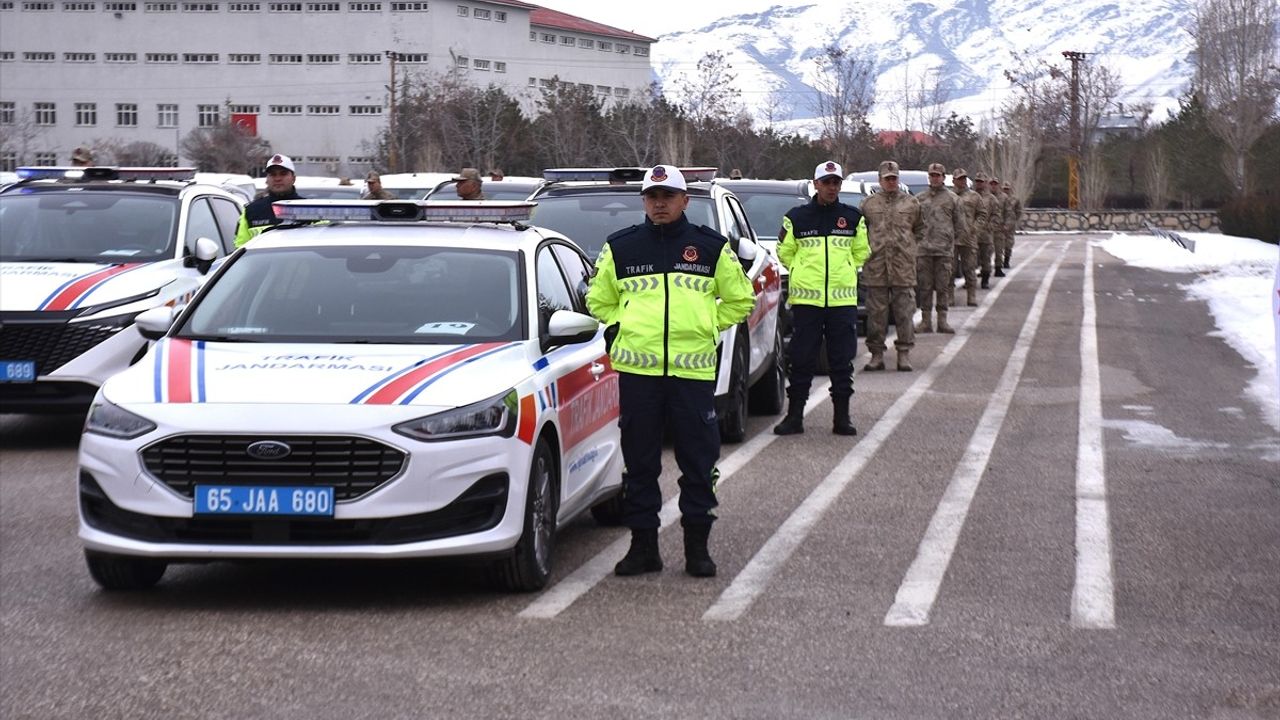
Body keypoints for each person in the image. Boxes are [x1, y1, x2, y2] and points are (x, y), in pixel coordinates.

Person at [586, 165, 755, 578]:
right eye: (652, 197)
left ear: (684, 200)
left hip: (692, 377)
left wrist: (706, 325)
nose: (659, 204)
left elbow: (740, 299)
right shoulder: (621, 248)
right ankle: (644, 548)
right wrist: (619, 327)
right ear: (644, 201)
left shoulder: (710, 247)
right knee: (639, 464)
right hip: (639, 377)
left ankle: (697, 549)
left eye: (667, 196)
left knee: (698, 463)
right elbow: (597, 299)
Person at [773, 160, 869, 437]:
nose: (831, 187)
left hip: (841, 303)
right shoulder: (797, 217)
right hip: (807, 303)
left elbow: (861, 252)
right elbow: (785, 252)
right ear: (815, 184)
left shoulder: (853, 217)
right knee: (802, 360)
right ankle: (794, 418)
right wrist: (802, 271)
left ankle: (842, 418)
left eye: (836, 182)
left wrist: (845, 270)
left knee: (841, 361)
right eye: (826, 182)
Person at [859, 160, 922, 372]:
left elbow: (920, 230)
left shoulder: (911, 204)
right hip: (876, 267)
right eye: (887, 179)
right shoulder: (868, 205)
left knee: (904, 312)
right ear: (880, 180)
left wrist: (910, 250)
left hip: (902, 267)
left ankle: (903, 354)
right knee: (876, 314)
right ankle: (876, 354)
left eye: (894, 178)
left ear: (898, 179)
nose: (891, 182)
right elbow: (861, 233)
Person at [915, 163, 966, 334]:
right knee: (924, 287)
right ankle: (925, 321)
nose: (935, 178)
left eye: (938, 175)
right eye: (932, 175)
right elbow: (913, 224)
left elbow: (960, 225)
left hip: (944, 251)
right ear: (928, 177)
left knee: (943, 287)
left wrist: (950, 241)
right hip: (923, 251)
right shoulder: (919, 199)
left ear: (944, 177)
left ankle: (942, 321)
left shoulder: (953, 199)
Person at [234, 154, 304, 248]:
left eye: (283, 173)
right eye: (273, 174)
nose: (277, 178)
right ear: (267, 180)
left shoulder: (311, 209)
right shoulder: (251, 211)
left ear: (293, 179)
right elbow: (240, 248)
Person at [950, 168, 987, 308]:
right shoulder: (949, 196)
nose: (962, 181)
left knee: (969, 269)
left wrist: (975, 228)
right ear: (954, 181)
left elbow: (982, 214)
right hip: (951, 238)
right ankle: (949, 297)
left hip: (968, 238)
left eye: (964, 178)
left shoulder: (974, 197)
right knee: (950, 270)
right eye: (959, 179)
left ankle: (971, 296)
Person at [974, 172, 997, 289]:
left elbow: (996, 215)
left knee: (985, 259)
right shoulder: (970, 196)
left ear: (985, 183)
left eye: (981, 182)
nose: (979, 184)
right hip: (971, 234)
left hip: (985, 235)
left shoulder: (991, 199)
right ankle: (970, 281)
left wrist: (990, 226)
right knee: (970, 261)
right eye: (977, 181)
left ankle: (985, 280)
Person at [987, 175, 1009, 278]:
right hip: (987, 228)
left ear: (998, 185)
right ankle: (985, 269)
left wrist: (1006, 224)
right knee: (986, 250)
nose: (993, 186)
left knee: (999, 249)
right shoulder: (984, 196)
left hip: (999, 227)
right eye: (991, 184)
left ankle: (998, 268)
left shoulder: (1004, 197)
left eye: (995, 184)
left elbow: (1008, 212)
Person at [1001, 182, 1023, 269]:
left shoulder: (1015, 199)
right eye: (1004, 189)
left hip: (1010, 225)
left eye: (1007, 189)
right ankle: (998, 261)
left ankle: (1006, 260)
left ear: (1010, 189)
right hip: (999, 224)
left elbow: (1019, 211)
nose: (1005, 190)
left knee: (1008, 243)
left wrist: (1013, 220)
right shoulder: (999, 198)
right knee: (997, 244)